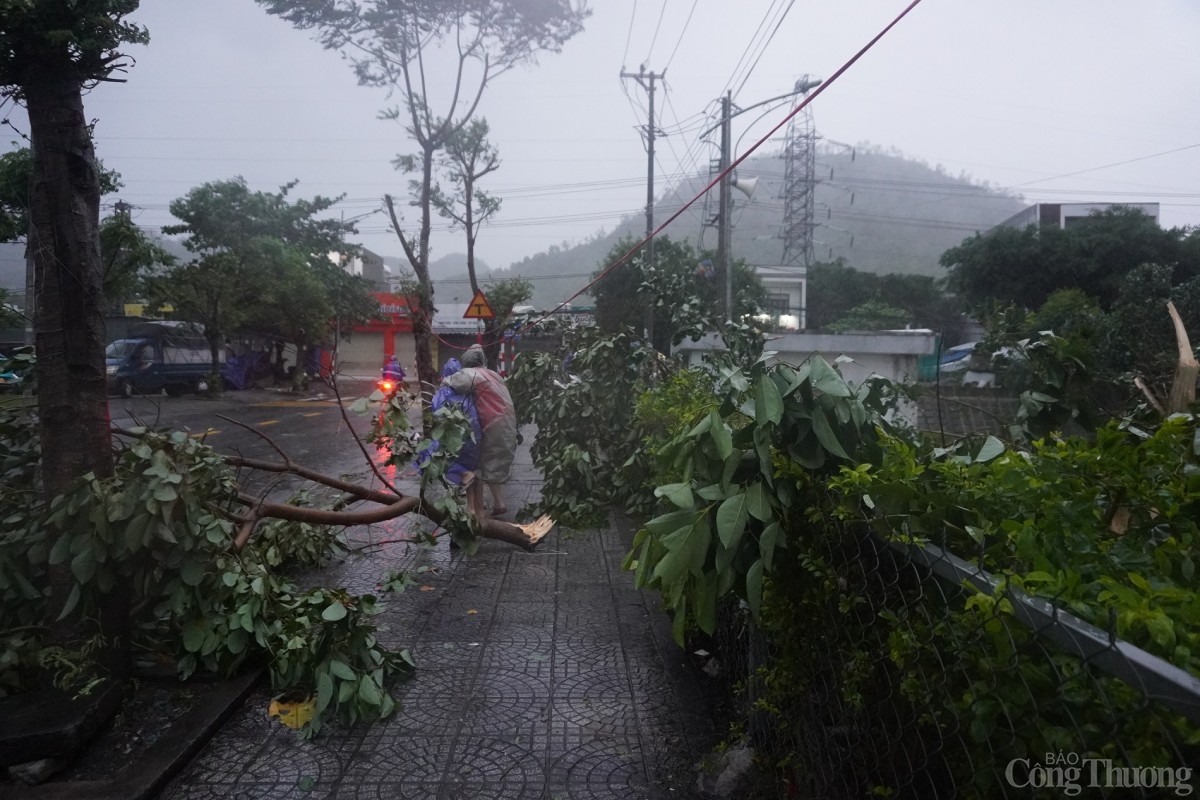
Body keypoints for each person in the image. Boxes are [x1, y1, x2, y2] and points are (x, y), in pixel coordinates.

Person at [441, 344, 517, 518]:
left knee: (476, 465)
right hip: (507, 423)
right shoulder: (493, 374)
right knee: (488, 465)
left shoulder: (471, 374)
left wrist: (444, 380)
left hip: (491, 424)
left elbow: (451, 381)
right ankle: (499, 503)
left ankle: (476, 511)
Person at [416, 358, 484, 517]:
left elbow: (436, 413)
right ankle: (472, 510)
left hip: (455, 438)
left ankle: (465, 476)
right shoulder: (469, 391)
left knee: (430, 457)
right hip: (474, 439)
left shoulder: (445, 392)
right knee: (469, 469)